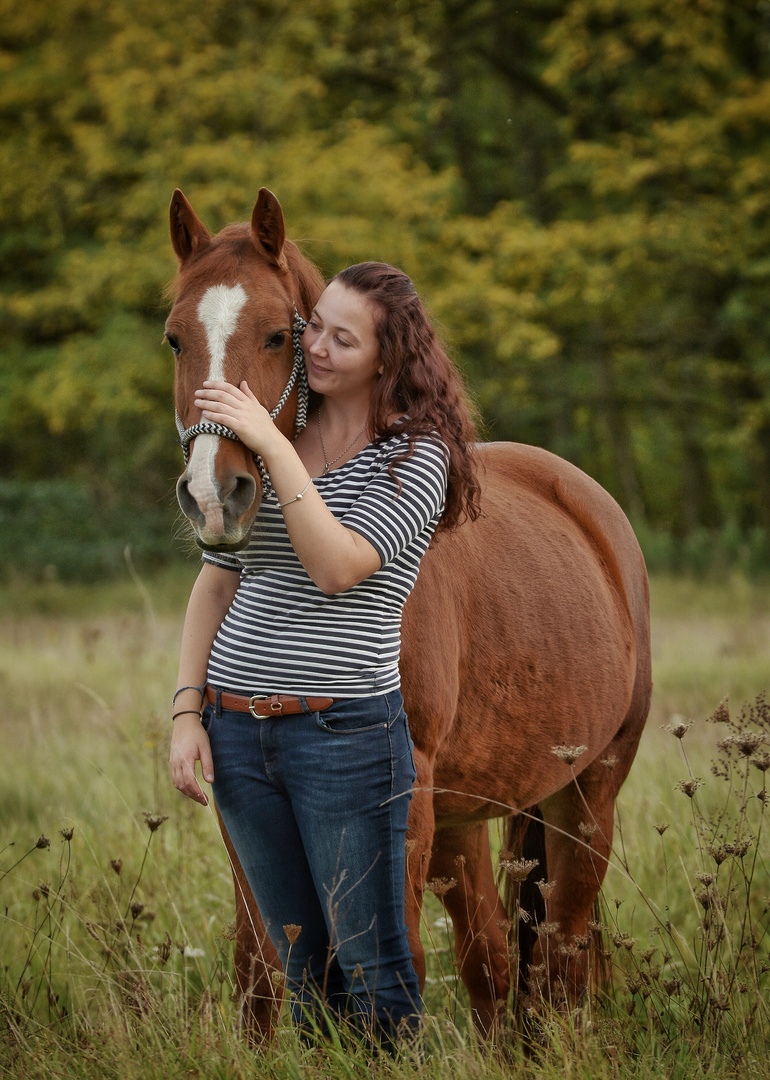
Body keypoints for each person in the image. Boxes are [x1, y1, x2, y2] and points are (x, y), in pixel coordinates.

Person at [168, 262, 481, 1046]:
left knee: (374, 971)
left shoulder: (415, 457)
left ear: (389, 356)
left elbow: (338, 566)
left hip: (343, 737)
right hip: (240, 735)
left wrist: (271, 445)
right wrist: (186, 710)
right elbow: (215, 582)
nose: (320, 348)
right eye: (317, 328)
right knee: (303, 970)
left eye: (346, 338)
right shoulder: (278, 436)